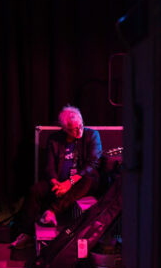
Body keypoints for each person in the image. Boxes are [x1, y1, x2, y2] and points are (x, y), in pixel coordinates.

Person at [10, 106, 102, 249]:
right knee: (35, 190)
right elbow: (49, 168)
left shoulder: (92, 135)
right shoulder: (54, 140)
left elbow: (93, 164)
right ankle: (26, 233)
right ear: (64, 129)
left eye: (81, 126)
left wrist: (69, 183)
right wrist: (56, 183)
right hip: (60, 183)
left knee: (88, 180)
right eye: (73, 129)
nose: (79, 131)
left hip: (81, 181)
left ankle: (52, 211)